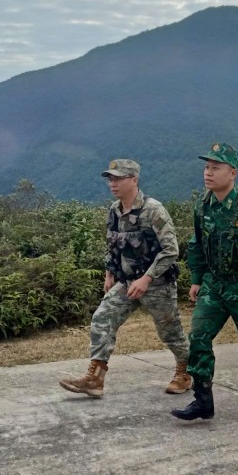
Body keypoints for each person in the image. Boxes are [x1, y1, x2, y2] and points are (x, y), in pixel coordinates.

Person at [60, 159, 190, 399]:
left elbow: (171, 250)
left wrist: (147, 279)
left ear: (134, 180)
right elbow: (113, 244)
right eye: (110, 179)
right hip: (127, 282)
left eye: (118, 178)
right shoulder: (114, 210)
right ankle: (95, 378)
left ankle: (185, 371)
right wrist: (110, 272)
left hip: (157, 284)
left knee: (170, 333)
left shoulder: (154, 210)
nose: (113, 183)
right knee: (102, 318)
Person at [171, 143, 238, 423]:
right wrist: (196, 279)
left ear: (232, 173)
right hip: (215, 286)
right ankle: (202, 400)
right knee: (198, 336)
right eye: (207, 166)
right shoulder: (203, 206)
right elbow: (196, 244)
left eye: (215, 167)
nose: (208, 172)